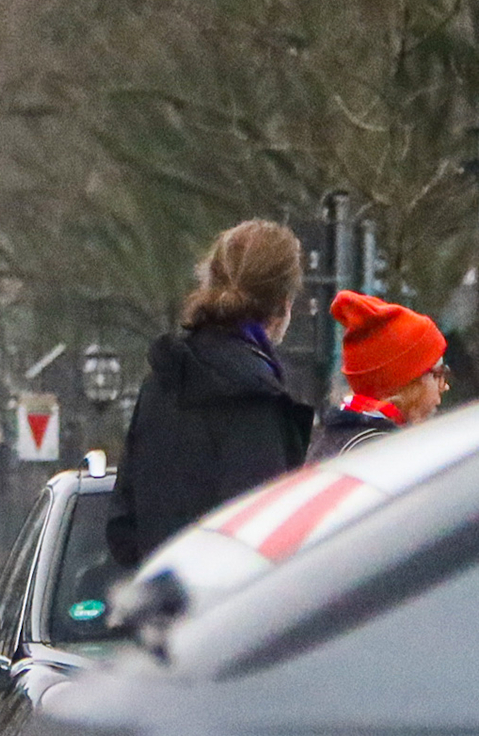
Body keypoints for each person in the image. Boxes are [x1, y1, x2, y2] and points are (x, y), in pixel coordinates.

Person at [106, 220, 315, 567]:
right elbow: (267, 538)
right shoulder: (257, 402)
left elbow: (122, 526)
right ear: (283, 305)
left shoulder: (161, 383)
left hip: (163, 609)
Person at [310, 290, 450, 460]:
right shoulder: (385, 454)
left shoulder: (335, 438)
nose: (445, 386)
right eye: (439, 373)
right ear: (408, 383)